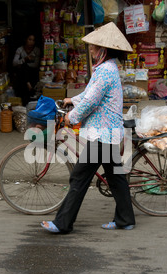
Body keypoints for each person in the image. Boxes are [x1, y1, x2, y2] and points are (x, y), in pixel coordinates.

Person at [41, 22, 135, 234]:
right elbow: (88, 94)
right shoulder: (105, 69)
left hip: (103, 135)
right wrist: (71, 100)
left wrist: (71, 118)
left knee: (79, 177)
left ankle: (63, 223)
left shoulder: (105, 71)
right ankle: (125, 219)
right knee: (116, 178)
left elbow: (92, 101)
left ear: (103, 49)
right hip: (109, 134)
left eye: (93, 47)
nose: (91, 50)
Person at [12, 34, 40, 105]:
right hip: (21, 73)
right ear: (25, 40)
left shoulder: (36, 50)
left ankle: (28, 85)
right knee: (23, 68)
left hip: (32, 72)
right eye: (29, 39)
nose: (31, 42)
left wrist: (25, 64)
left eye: (33, 40)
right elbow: (14, 63)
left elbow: (36, 65)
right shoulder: (20, 49)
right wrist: (24, 59)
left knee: (24, 67)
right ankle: (29, 86)